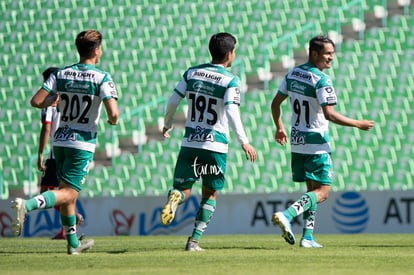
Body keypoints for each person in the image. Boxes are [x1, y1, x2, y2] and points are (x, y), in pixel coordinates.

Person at [12, 29, 119, 255]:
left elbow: (36, 101)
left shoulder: (61, 74)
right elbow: (114, 113)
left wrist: (54, 99)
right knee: (69, 194)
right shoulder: (102, 77)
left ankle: (73, 244)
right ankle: (27, 205)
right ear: (97, 50)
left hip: (59, 141)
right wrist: (112, 120)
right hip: (81, 143)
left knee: (67, 192)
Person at [270, 35, 374, 248]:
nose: (331, 58)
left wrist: (279, 127)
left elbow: (275, 103)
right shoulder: (322, 80)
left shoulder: (292, 74)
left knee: (312, 190)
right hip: (316, 142)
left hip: (298, 142)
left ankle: (307, 237)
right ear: (314, 53)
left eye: (332, 54)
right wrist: (358, 123)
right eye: (327, 54)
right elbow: (330, 115)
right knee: (323, 192)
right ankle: (288, 215)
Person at [160, 32, 257, 251]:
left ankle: (175, 197)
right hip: (215, 145)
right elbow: (232, 112)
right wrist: (244, 141)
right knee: (209, 194)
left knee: (182, 188)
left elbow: (173, 100)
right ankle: (193, 241)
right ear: (230, 54)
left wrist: (167, 124)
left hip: (190, 143)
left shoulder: (192, 73)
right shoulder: (230, 80)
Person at [37, 67, 84, 240]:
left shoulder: (49, 101)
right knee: (64, 191)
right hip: (71, 147)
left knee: (46, 192)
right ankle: (66, 231)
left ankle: (72, 221)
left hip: (56, 151)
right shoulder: (68, 97)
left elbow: (46, 127)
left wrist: (40, 153)